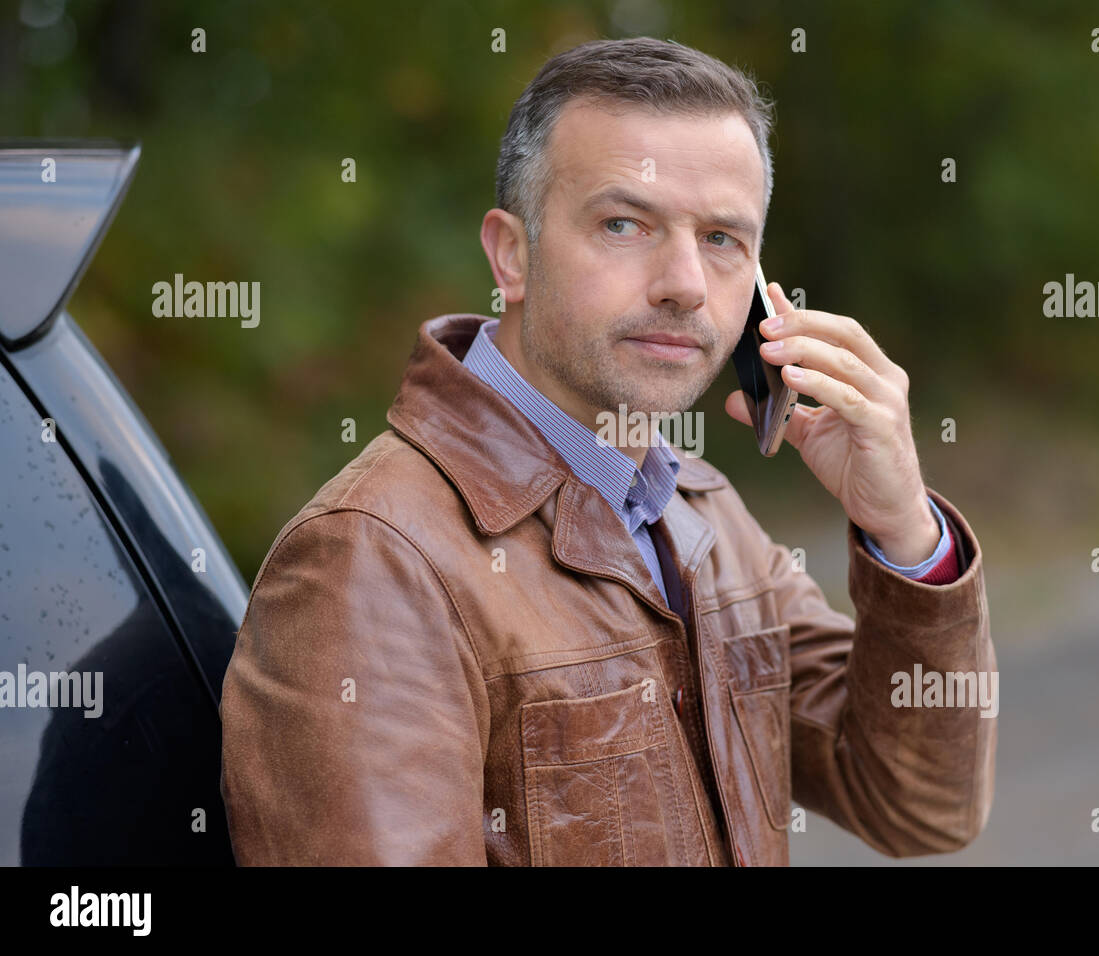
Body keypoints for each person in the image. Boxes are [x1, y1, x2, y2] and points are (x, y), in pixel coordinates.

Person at [219, 35, 996, 866]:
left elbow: (917, 804)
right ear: (511, 255)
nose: (685, 283)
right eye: (625, 224)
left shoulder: (703, 516)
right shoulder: (371, 558)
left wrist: (904, 532)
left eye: (723, 239)